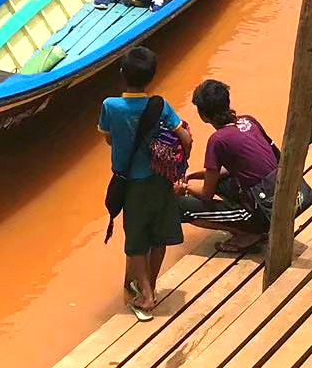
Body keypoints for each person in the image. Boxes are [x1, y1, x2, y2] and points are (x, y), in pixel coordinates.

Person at [99, 47, 191, 317]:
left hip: (132, 183)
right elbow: (184, 137)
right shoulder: (160, 105)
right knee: (159, 235)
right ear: (152, 76)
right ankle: (150, 284)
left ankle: (147, 296)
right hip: (161, 180)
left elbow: (107, 137)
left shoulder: (110, 106)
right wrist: (180, 168)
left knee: (136, 241)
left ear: (121, 75)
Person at [175, 78, 300, 251]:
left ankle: (249, 232)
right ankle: (250, 223)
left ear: (203, 116)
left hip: (265, 210)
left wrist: (185, 188)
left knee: (180, 207)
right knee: (221, 180)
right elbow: (237, 167)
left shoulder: (217, 140)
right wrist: (194, 175)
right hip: (284, 194)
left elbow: (206, 194)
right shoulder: (248, 121)